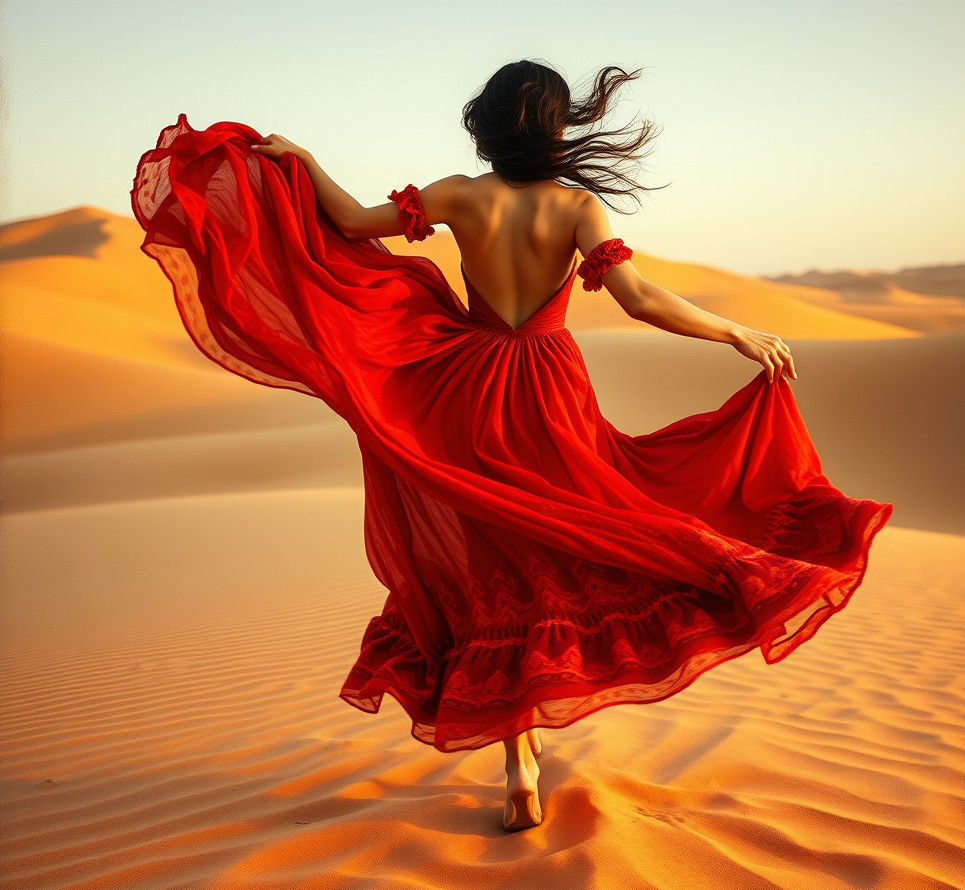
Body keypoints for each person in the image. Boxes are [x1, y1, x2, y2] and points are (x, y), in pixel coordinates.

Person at [130, 60, 893, 833]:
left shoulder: (463, 194)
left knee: (497, 564)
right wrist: (737, 330)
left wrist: (301, 162)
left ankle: (519, 764)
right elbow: (637, 298)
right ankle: (540, 740)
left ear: (485, 124)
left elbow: (354, 224)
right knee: (578, 540)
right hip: (550, 393)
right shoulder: (576, 206)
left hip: (465, 389)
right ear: (558, 128)